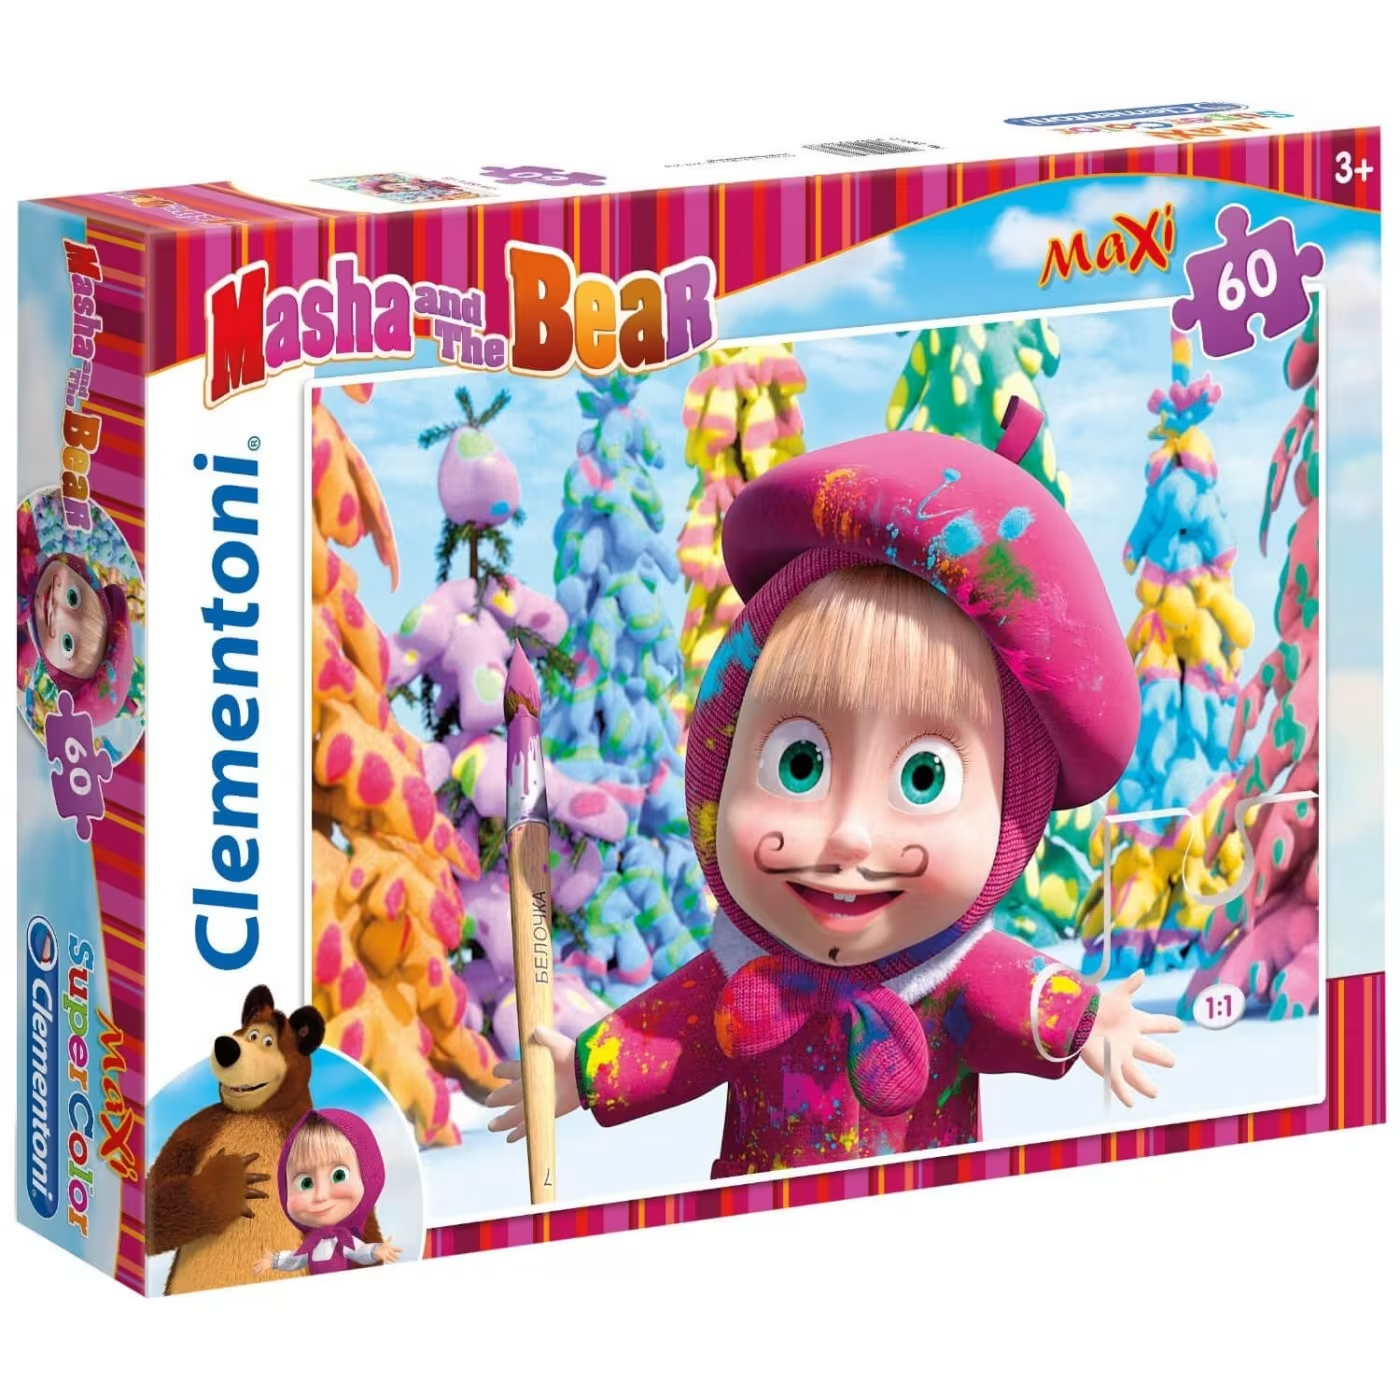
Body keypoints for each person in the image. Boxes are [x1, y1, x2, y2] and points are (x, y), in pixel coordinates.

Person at [489, 400, 1180, 1178]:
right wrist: (583, 1072)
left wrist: (1094, 1022)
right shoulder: (739, 978)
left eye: (923, 778)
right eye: (799, 765)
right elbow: (667, 1039)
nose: (849, 835)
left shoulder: (954, 982)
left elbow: (1025, 999)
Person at [253, 1109, 400, 1276]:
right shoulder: (311, 1244)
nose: (320, 1196)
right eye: (305, 1183)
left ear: (368, 1172)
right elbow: (296, 1259)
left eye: (339, 1175)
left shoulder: (344, 1240)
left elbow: (360, 1252)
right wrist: (273, 1260)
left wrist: (376, 1251)